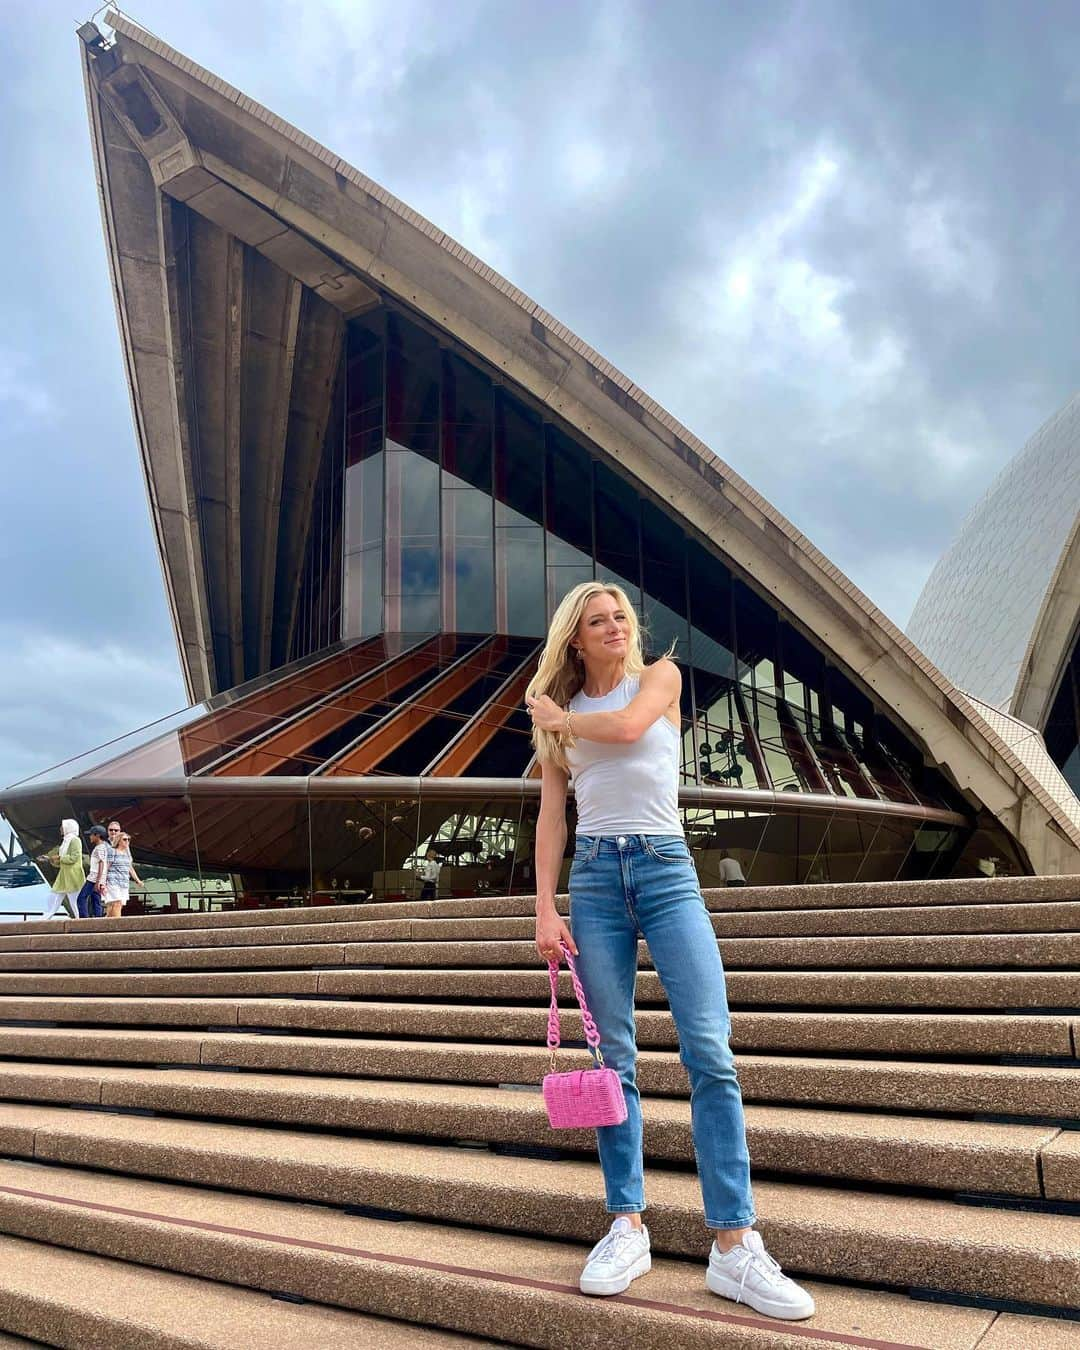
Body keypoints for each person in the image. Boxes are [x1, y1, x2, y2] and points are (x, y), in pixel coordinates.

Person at [526, 581, 814, 1320]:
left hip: (665, 867)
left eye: (621, 615)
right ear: (576, 640)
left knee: (710, 1050)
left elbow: (626, 730)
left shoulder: (661, 677)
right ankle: (626, 1224)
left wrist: (560, 717)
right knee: (612, 1059)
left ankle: (734, 1244)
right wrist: (544, 906)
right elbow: (552, 814)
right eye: (599, 621)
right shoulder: (562, 719)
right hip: (592, 878)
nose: (616, 626)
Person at [38, 819, 85, 920]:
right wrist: (49, 859)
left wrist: (59, 858)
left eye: (62, 826)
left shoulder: (75, 840)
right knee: (54, 897)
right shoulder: (65, 841)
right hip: (64, 875)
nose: (60, 829)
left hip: (73, 876)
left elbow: (74, 857)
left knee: (75, 901)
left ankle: (81, 920)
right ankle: (44, 919)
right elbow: (62, 860)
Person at [102, 830, 143, 919]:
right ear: (119, 840)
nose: (127, 841)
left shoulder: (126, 854)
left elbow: (130, 868)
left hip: (124, 883)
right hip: (113, 881)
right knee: (117, 903)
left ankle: (106, 923)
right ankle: (117, 925)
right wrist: (103, 882)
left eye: (128, 839)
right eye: (124, 839)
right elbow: (107, 867)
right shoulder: (112, 851)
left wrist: (137, 880)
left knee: (115, 905)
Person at [79, 825, 109, 919]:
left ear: (97, 835)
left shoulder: (100, 848)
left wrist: (98, 881)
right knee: (96, 899)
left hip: (93, 878)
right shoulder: (103, 846)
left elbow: (101, 863)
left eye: (92, 835)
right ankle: (98, 919)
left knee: (81, 898)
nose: (90, 837)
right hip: (98, 878)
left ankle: (84, 918)